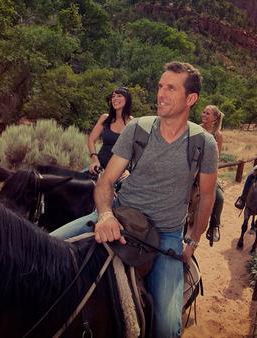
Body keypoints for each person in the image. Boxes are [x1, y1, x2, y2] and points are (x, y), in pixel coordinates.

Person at [51, 61, 218, 337]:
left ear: (191, 99)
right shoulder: (138, 130)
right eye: (160, 86)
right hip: (118, 214)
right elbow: (106, 181)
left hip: (165, 234)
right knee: (44, 249)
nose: (161, 94)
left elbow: (208, 195)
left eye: (171, 88)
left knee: (166, 325)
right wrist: (105, 215)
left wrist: (193, 240)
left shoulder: (203, 144)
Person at [87, 86, 133, 175]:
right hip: (100, 167)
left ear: (127, 100)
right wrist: (95, 160)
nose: (115, 98)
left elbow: (136, 151)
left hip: (120, 173)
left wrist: (128, 170)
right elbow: (91, 140)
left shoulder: (133, 123)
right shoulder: (105, 118)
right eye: (113, 96)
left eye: (119, 96)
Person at [200, 105, 224, 243]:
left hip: (208, 169)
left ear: (215, 118)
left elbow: (217, 157)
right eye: (204, 112)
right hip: (191, 167)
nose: (204, 115)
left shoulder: (217, 135)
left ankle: (214, 225)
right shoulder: (195, 128)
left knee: (219, 197)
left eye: (207, 113)